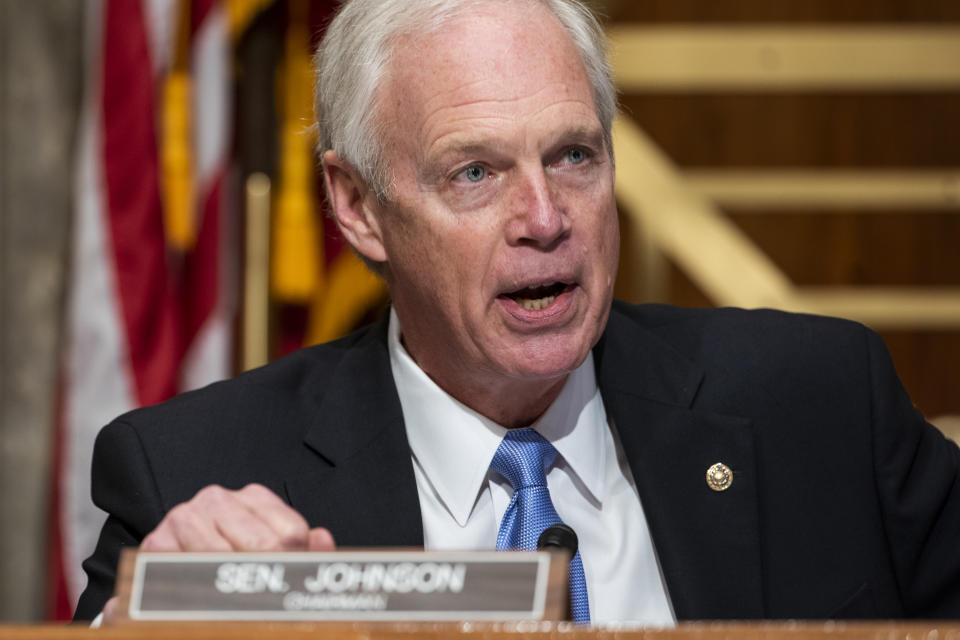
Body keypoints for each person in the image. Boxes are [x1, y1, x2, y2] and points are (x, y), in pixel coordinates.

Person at [75, 0, 960, 624]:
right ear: (356, 207)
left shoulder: (820, 404)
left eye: (574, 155)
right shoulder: (193, 472)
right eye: (476, 172)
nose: (545, 219)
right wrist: (149, 613)